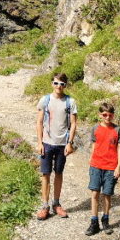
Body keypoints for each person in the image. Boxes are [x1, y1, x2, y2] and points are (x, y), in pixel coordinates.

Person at [35, 72, 77, 220]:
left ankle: (56, 204)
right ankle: (45, 206)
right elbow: (39, 122)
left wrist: (70, 143)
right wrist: (39, 143)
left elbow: (73, 124)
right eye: (56, 83)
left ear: (66, 85)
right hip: (47, 143)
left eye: (62, 84)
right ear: (52, 83)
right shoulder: (45, 100)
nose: (59, 86)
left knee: (58, 173)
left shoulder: (70, 102)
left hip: (61, 145)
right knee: (45, 174)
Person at [85, 101, 120, 236]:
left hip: (111, 167)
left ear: (113, 115)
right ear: (100, 115)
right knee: (95, 193)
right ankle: (94, 222)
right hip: (96, 165)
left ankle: (105, 220)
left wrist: (118, 166)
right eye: (105, 114)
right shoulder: (95, 128)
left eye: (110, 115)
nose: (107, 117)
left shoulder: (117, 130)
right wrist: (91, 160)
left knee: (107, 194)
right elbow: (94, 145)